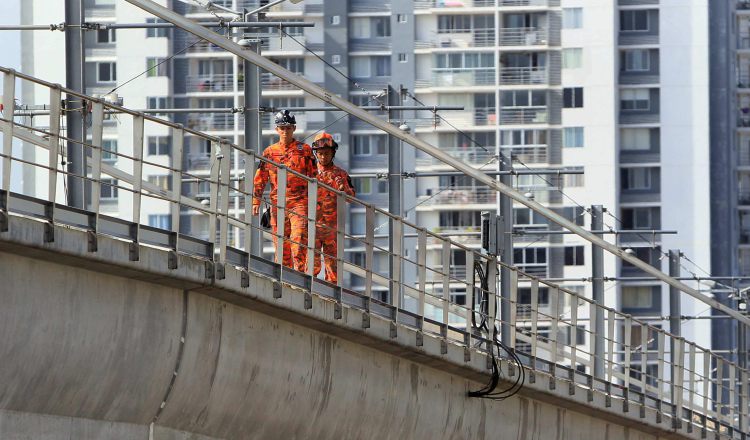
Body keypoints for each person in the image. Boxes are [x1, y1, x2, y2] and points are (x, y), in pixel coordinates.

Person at [252, 110, 317, 272]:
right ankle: (283, 280)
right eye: (282, 128)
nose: (285, 131)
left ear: (294, 128)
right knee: (281, 246)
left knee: (298, 242)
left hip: (299, 203)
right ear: (277, 130)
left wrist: (318, 204)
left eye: (288, 128)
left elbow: (315, 178)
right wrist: (256, 201)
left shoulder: (305, 150)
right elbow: (260, 178)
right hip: (278, 204)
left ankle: (300, 278)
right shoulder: (269, 152)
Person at [311, 132, 355, 283]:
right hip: (312, 225)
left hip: (332, 228)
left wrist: (344, 190)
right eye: (321, 153)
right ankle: (310, 289)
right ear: (316, 154)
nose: (323, 157)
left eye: (327, 153)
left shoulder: (341, 174)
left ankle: (333, 296)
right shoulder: (309, 172)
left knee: (333, 266)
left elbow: (351, 197)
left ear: (333, 153)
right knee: (311, 263)